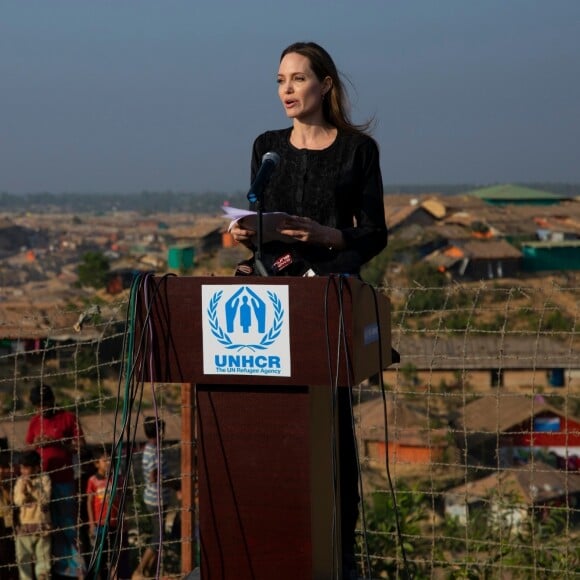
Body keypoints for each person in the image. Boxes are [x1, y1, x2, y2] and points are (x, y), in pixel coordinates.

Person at [229, 41, 388, 578]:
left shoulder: (357, 151)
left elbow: (373, 234)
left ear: (324, 84)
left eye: (298, 79)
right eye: (280, 81)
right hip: (273, 299)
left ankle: (336, 556)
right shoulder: (267, 148)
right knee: (273, 432)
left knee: (330, 438)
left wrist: (328, 235)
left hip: (329, 302)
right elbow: (261, 214)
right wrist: (246, 232)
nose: (287, 91)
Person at [25, 382, 87, 579]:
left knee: (67, 525)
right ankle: (50, 569)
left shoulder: (68, 418)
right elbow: (28, 451)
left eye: (44, 404)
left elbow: (81, 447)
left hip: (63, 481)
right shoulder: (35, 422)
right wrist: (36, 444)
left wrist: (56, 442)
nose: (41, 409)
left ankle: (74, 569)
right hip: (40, 485)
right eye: (37, 407)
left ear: (52, 401)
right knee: (45, 527)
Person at [131, 417, 175, 580]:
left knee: (159, 535)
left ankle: (150, 571)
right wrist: (173, 482)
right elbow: (153, 476)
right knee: (159, 537)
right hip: (156, 499)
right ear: (159, 432)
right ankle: (139, 570)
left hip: (155, 497)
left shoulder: (150, 448)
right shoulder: (154, 451)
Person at [86, 447, 129, 580]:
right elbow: (89, 502)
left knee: (116, 553)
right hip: (101, 524)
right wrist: (92, 523)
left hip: (115, 522)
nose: (108, 463)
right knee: (101, 555)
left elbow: (122, 498)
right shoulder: (93, 481)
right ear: (96, 463)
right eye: (105, 460)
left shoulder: (117, 479)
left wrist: (125, 517)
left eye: (110, 460)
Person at [13, 450, 52, 580]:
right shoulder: (20, 481)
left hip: (42, 526)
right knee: (23, 560)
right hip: (25, 526)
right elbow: (18, 501)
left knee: (43, 562)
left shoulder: (44, 479)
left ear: (36, 467)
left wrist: (33, 488)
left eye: (26, 468)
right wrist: (24, 491)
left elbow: (45, 500)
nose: (23, 471)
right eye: (22, 468)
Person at [0, 452, 17, 580]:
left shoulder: (13, 483)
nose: (2, 471)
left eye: (5, 468)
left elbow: (14, 502)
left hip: (10, 524)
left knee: (9, 555)